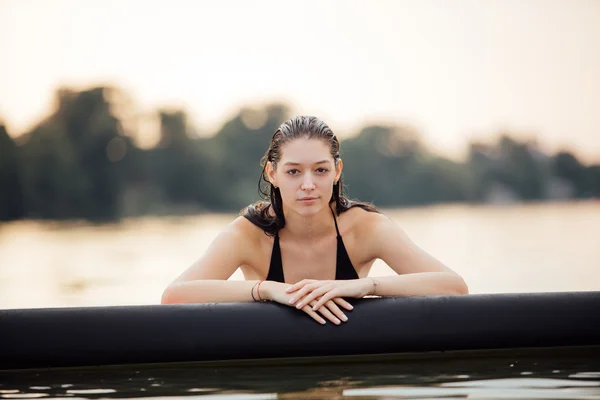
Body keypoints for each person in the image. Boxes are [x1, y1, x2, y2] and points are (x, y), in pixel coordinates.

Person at [161, 116, 468, 324]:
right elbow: (174, 296)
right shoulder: (249, 232)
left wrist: (364, 287)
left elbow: (454, 288)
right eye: (294, 171)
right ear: (273, 173)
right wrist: (266, 290)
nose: (308, 184)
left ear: (336, 172)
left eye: (320, 170)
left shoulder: (366, 227)